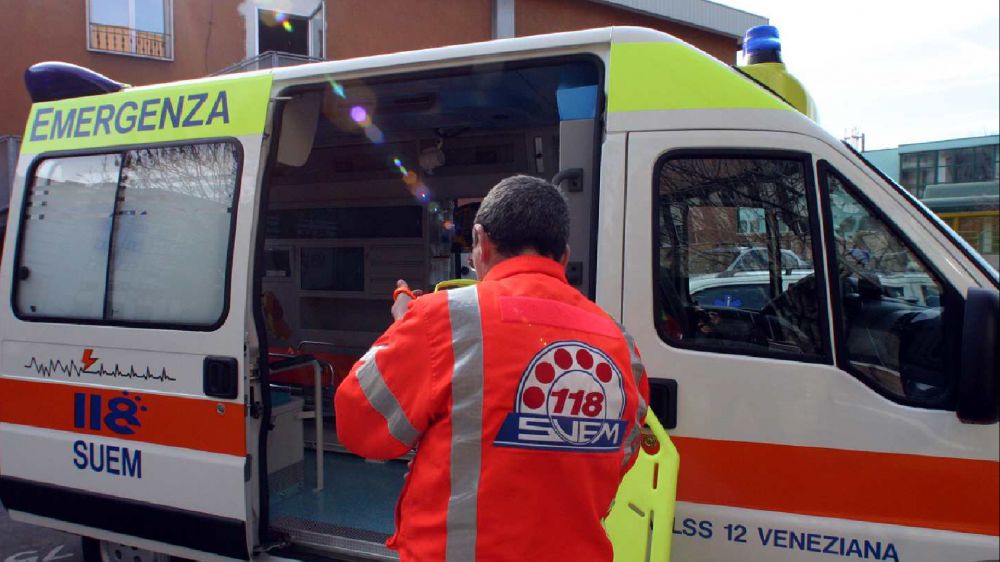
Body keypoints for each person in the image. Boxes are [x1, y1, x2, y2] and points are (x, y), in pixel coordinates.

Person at [335, 175, 650, 561]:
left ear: (481, 242)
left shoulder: (442, 319)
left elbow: (359, 426)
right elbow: (621, 456)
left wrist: (404, 325)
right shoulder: (621, 343)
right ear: (564, 256)